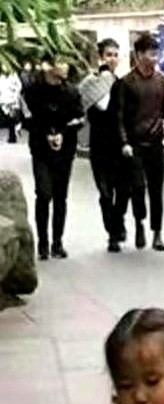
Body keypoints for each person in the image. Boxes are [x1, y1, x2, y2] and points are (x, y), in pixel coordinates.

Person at [116, 32, 164, 252]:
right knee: (138, 187)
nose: (155, 58)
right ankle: (139, 221)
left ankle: (157, 232)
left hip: (155, 142)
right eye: (151, 54)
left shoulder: (161, 80)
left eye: (156, 53)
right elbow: (119, 116)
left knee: (156, 190)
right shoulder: (126, 82)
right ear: (139, 55)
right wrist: (124, 142)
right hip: (134, 144)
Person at [23, 56, 84, 260]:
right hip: (41, 149)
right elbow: (26, 118)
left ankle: (57, 242)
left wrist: (63, 133)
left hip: (65, 150)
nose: (65, 67)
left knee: (60, 196)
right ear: (47, 65)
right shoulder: (32, 90)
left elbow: (79, 118)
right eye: (60, 62)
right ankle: (43, 242)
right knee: (43, 193)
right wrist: (45, 135)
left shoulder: (72, 92)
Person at [83, 38, 126, 253]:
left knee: (122, 190)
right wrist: (104, 79)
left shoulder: (122, 83)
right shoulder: (91, 82)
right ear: (100, 57)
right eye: (108, 55)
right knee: (105, 192)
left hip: (118, 145)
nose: (112, 59)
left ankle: (118, 222)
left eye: (115, 55)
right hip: (99, 144)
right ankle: (112, 233)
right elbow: (96, 105)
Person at [0, 66, 22, 143]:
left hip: (13, 100)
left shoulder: (14, 75)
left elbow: (19, 86)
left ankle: (12, 137)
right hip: (4, 101)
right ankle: (16, 129)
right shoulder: (1, 77)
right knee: (8, 118)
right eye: (3, 67)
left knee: (11, 118)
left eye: (6, 67)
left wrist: (13, 88)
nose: (5, 68)